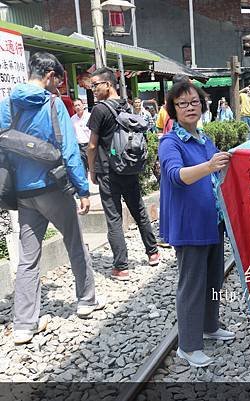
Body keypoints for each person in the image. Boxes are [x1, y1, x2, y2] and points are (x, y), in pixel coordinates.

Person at [0, 52, 103, 345]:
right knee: (74, 243)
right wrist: (83, 190)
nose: (56, 85)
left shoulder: (6, 105)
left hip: (22, 193)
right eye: (56, 79)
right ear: (47, 75)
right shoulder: (53, 104)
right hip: (53, 189)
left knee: (27, 259)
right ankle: (86, 300)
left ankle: (23, 324)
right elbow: (70, 151)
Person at [159, 81, 235, 367]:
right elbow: (176, 175)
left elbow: (216, 173)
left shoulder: (204, 138)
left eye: (194, 102)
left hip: (211, 220)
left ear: (203, 106)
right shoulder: (170, 142)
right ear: (173, 110)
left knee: (213, 278)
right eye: (182, 104)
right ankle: (188, 346)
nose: (189, 108)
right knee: (191, 285)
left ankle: (210, 326)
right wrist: (210, 166)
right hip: (190, 225)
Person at [87, 67, 160, 281]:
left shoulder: (100, 110)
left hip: (108, 171)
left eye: (95, 85)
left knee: (114, 219)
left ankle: (121, 267)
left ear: (107, 84)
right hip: (129, 167)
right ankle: (153, 252)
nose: (93, 90)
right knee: (139, 211)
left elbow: (92, 145)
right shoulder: (125, 106)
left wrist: (92, 170)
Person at [71, 98, 91, 175]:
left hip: (89, 146)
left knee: (92, 168)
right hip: (78, 147)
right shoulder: (72, 119)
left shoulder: (90, 116)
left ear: (83, 105)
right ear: (73, 108)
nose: (78, 107)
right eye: (75, 105)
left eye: (79, 105)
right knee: (82, 169)